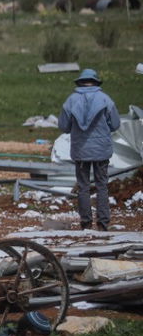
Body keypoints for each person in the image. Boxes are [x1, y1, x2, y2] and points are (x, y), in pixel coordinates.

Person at [59, 68, 121, 230]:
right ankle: (103, 223)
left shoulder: (71, 101)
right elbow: (115, 125)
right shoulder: (106, 100)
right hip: (101, 150)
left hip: (80, 150)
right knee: (102, 186)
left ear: (80, 82)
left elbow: (63, 127)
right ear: (96, 81)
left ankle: (86, 223)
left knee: (83, 187)